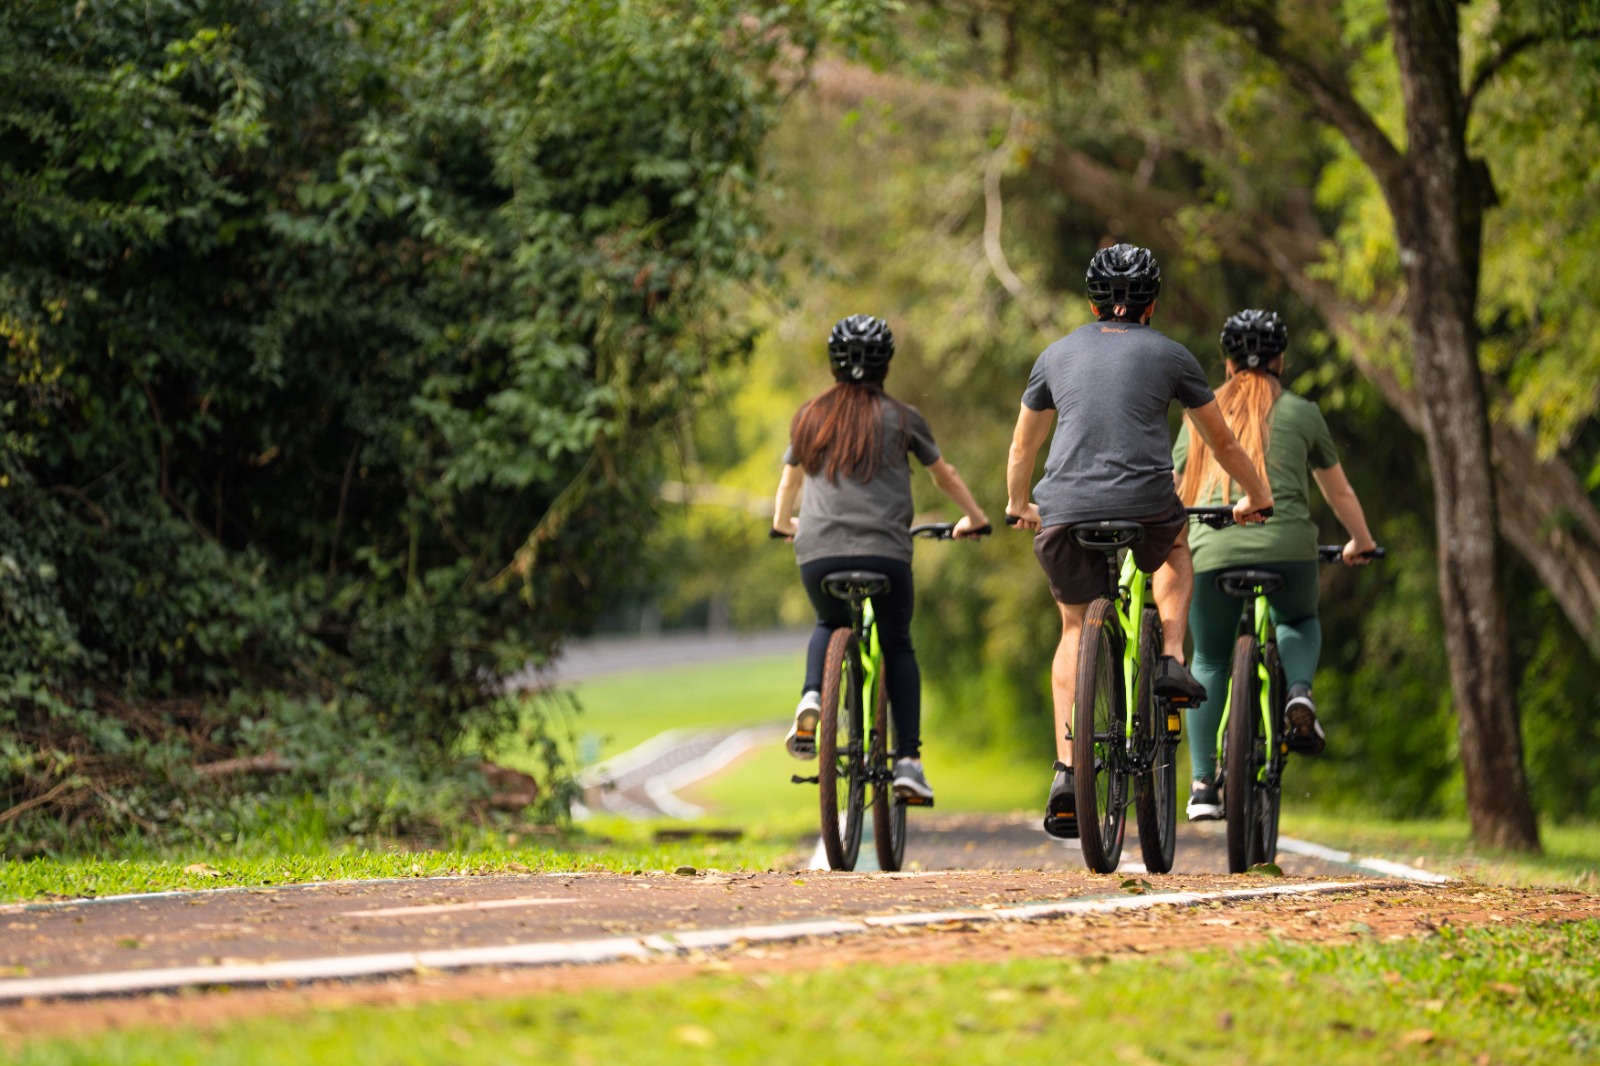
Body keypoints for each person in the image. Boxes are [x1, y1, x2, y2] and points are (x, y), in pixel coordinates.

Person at [1004, 244, 1274, 839]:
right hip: (1147, 504)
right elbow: (1224, 446)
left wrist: (1017, 503)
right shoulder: (1173, 356)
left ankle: (1066, 772)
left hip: (1064, 507)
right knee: (1175, 545)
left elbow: (1023, 447)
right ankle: (1172, 659)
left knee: (1074, 629)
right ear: (1151, 305)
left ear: (1091, 301)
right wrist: (1257, 495)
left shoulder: (1053, 355)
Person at [772, 314, 989, 804]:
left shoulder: (809, 416)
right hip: (886, 555)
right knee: (897, 645)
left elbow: (789, 483)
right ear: (885, 363)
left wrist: (785, 525)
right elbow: (944, 476)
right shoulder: (903, 417)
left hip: (818, 554)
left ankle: (812, 696)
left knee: (828, 622)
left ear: (833, 362)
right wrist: (974, 517)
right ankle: (909, 761)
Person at [1173, 309, 1378, 820]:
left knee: (1210, 660)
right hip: (1288, 550)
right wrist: (1362, 542)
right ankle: (1300, 694)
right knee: (1298, 618)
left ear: (1225, 364)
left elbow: (1176, 489)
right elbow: (1339, 491)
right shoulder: (1303, 413)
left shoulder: (1200, 413)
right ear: (1281, 360)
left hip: (1213, 549)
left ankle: (1201, 784)